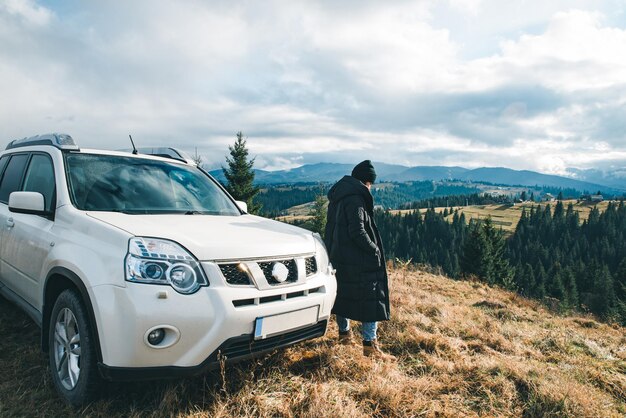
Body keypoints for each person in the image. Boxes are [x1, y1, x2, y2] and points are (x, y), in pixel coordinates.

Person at [324, 160, 394, 359]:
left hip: (339, 256)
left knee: (343, 295)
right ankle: (370, 346)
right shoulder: (356, 198)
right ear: (366, 181)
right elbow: (358, 230)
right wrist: (373, 251)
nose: (371, 187)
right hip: (358, 259)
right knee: (371, 298)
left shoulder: (339, 196)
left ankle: (344, 336)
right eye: (370, 183)